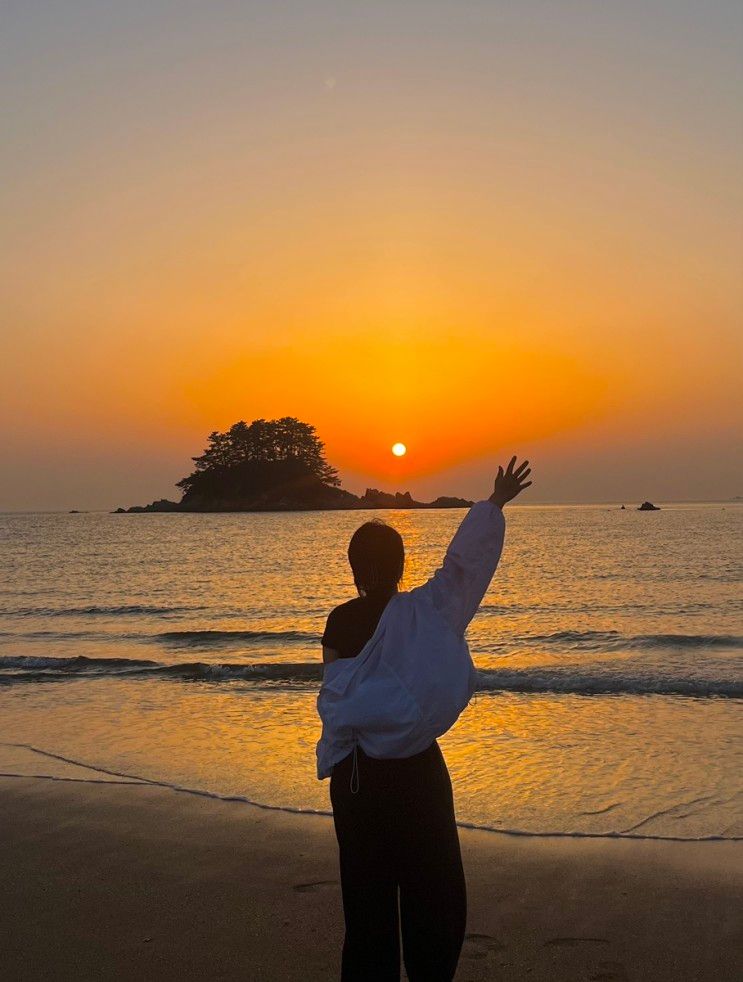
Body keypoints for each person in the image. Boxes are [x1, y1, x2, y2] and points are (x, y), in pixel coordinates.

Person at [317, 457, 532, 981]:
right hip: (416, 774)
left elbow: (336, 703)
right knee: (432, 890)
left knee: (366, 901)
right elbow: (464, 568)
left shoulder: (339, 622)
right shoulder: (426, 611)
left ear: (353, 568)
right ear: (400, 566)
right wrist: (494, 503)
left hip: (356, 778)